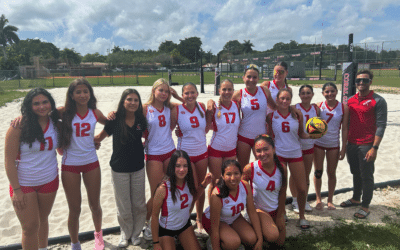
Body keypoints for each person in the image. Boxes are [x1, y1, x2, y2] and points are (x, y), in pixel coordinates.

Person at [5, 88, 59, 250]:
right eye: (36, 103)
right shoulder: (18, 126)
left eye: (45, 102)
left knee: (43, 220)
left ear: (50, 104)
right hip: (24, 183)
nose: (41, 106)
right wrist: (17, 190)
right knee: (29, 227)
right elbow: (8, 161)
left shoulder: (56, 123)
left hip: (49, 180)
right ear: (29, 106)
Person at [58, 78, 108, 250]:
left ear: (90, 93)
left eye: (85, 91)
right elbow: (40, 116)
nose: (82, 95)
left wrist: (98, 138)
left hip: (91, 163)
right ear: (71, 95)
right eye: (78, 92)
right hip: (70, 164)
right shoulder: (63, 112)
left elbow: (111, 125)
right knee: (75, 208)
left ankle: (98, 234)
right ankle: (75, 242)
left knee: (95, 204)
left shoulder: (95, 112)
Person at [94, 89, 147, 247]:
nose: (132, 103)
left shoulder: (141, 120)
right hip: (119, 168)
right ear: (123, 102)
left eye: (136, 100)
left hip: (138, 166)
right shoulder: (115, 120)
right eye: (129, 99)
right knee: (123, 204)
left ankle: (137, 233)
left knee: (138, 203)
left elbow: (148, 136)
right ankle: (125, 233)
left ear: (139, 103)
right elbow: (99, 138)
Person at [266, 88, 320, 230]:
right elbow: (269, 136)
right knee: (281, 187)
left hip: (296, 153)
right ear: (277, 100)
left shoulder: (297, 115)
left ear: (291, 100)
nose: (284, 101)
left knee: (302, 188)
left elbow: (301, 134)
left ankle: (301, 216)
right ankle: (282, 213)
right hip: (280, 155)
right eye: (282, 98)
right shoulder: (271, 116)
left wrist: (314, 135)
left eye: (287, 99)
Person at [340, 70, 387, 219]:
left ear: (370, 82)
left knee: (366, 175)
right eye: (358, 80)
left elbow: (381, 125)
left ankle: (365, 205)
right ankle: (355, 198)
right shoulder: (351, 100)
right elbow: (346, 123)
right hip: (352, 143)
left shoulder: (378, 100)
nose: (361, 83)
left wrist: (374, 148)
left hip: (367, 144)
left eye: (365, 80)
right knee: (355, 172)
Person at [151, 150, 212, 250]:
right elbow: (154, 216)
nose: (182, 169)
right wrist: (156, 243)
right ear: (172, 167)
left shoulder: (189, 182)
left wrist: (204, 184)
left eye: (185, 166)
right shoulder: (163, 188)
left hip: (184, 226)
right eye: (178, 166)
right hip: (166, 229)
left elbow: (193, 198)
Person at [170, 82, 210, 231]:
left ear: (197, 93)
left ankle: (198, 218)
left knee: (202, 187)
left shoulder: (202, 106)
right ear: (182, 95)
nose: (190, 95)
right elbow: (169, 129)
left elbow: (205, 128)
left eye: (192, 92)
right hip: (185, 155)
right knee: (191, 189)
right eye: (186, 93)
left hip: (202, 153)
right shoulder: (177, 109)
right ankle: (185, 218)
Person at [202, 160, 263, 250]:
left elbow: (252, 212)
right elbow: (215, 228)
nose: (233, 178)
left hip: (234, 217)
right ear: (222, 176)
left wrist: (260, 239)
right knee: (233, 243)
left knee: (251, 239)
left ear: (241, 174)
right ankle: (214, 242)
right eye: (229, 174)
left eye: (236, 173)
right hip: (214, 221)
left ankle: (230, 235)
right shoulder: (217, 195)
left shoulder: (245, 186)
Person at [242, 134, 287, 246]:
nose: (262, 154)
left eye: (266, 149)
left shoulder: (282, 168)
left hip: (275, 211)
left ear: (274, 149)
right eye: (258, 151)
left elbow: (282, 193)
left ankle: (261, 232)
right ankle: (254, 228)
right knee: (272, 236)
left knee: (280, 243)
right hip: (257, 211)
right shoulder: (250, 168)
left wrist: (280, 215)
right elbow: (240, 191)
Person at [232, 64, 277, 168]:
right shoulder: (238, 94)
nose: (251, 80)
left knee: (262, 168)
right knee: (243, 169)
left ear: (258, 78)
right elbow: (229, 110)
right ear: (243, 78)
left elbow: (275, 107)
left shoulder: (264, 90)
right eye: (248, 77)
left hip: (261, 136)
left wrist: (291, 108)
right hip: (244, 136)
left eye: (254, 77)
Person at [314, 82, 349, 210]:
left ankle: (330, 200)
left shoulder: (344, 107)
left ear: (337, 92)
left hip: (333, 144)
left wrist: (343, 148)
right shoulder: (318, 106)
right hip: (318, 143)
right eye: (327, 91)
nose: (330, 94)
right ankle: (318, 198)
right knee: (318, 172)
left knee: (331, 173)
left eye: (332, 91)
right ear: (323, 93)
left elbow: (344, 129)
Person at [292, 85, 320, 213]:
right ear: (299, 95)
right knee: (294, 175)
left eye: (308, 93)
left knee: (306, 175)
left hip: (309, 145)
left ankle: (304, 200)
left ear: (312, 94)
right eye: (303, 93)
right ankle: (294, 200)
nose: (305, 95)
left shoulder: (316, 108)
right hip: (296, 145)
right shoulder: (294, 108)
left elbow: (319, 126)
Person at [206, 79, 240, 187]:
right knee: (215, 182)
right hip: (216, 149)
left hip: (231, 149)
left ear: (233, 91)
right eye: (224, 89)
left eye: (229, 89)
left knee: (229, 182)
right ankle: (213, 204)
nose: (227, 92)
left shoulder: (236, 105)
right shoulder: (213, 107)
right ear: (219, 90)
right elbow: (205, 128)